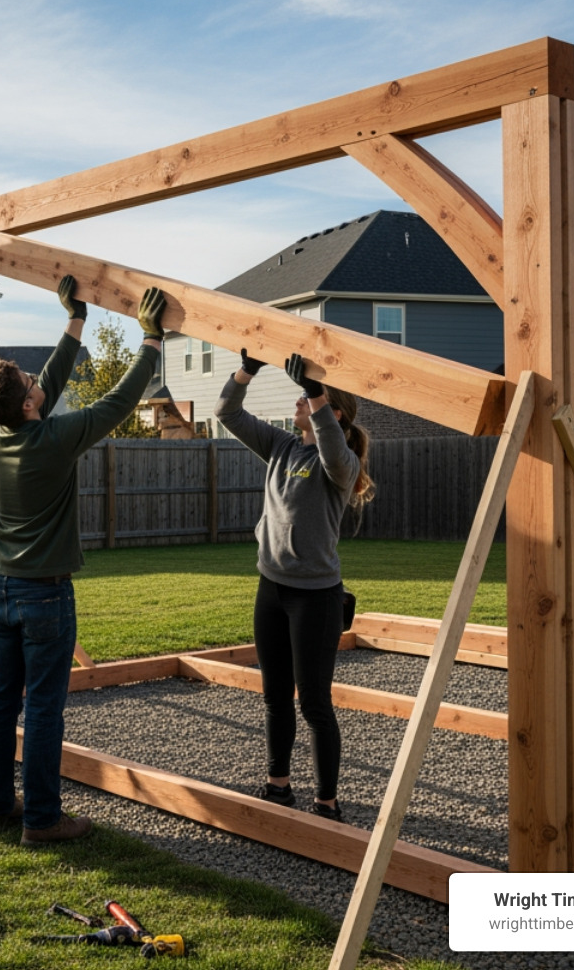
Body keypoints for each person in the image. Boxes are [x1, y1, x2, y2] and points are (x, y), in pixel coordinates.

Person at [0, 275, 167, 845]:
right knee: (45, 712)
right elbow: (119, 400)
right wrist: (150, 342)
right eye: (32, 386)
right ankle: (41, 821)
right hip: (44, 597)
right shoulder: (53, 439)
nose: (39, 385)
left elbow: (46, 387)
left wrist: (75, 322)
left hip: (2, 592)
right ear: (29, 404)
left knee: (1, 702)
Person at [214, 351, 374, 821]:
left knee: (315, 703)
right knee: (275, 695)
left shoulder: (339, 463)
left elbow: (330, 444)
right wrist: (247, 370)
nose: (298, 403)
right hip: (272, 589)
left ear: (333, 411)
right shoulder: (282, 446)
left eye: (305, 399)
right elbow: (227, 413)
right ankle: (278, 786)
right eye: (303, 397)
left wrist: (317, 393)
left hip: (316, 597)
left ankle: (327, 802)